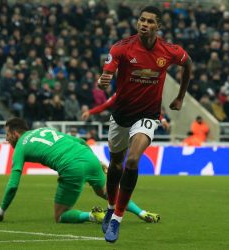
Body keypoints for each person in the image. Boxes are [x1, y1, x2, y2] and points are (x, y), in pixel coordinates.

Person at [97, 6, 192, 243]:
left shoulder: (169, 51)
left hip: (148, 115)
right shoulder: (121, 47)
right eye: (142, 20)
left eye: (150, 21)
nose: (144, 24)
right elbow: (107, 73)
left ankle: (117, 219)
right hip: (121, 115)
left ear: (158, 26)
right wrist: (103, 81)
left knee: (132, 160)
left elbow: (188, 64)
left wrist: (181, 96)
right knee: (116, 164)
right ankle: (110, 207)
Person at [0, 117, 160, 225]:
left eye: (7, 134)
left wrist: (1, 212)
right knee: (109, 193)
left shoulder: (20, 146)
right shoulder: (44, 130)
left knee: (60, 216)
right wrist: (99, 161)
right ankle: (143, 213)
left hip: (71, 167)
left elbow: (13, 185)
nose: (6, 138)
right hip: (88, 157)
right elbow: (80, 142)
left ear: (16, 133)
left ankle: (93, 216)